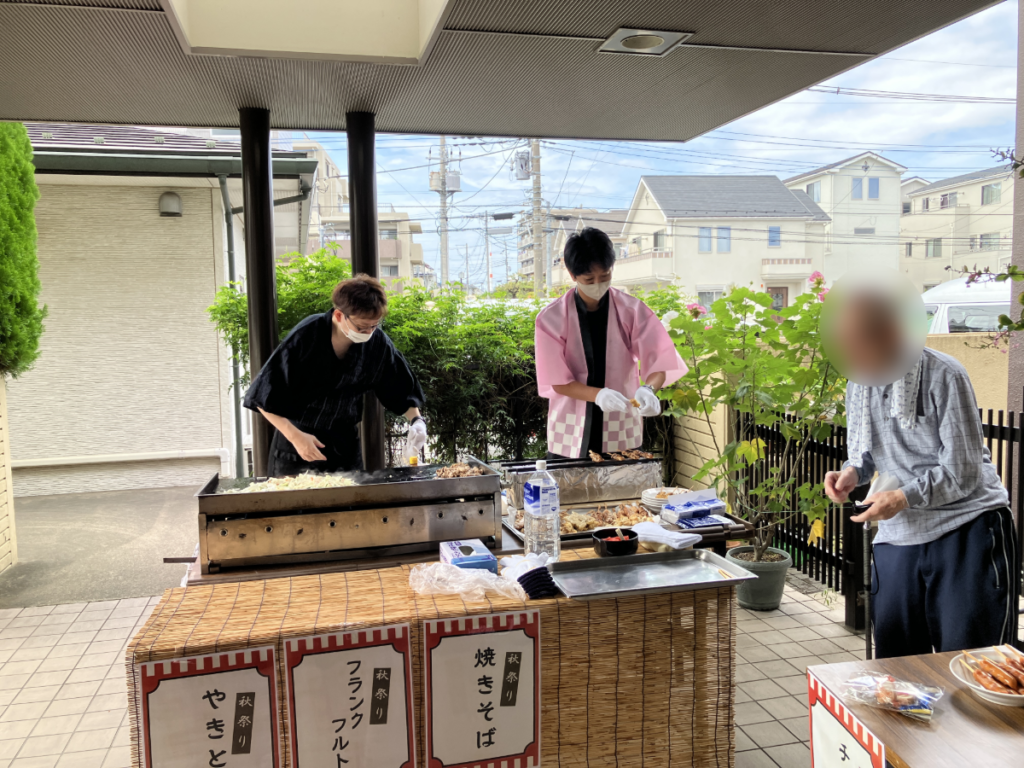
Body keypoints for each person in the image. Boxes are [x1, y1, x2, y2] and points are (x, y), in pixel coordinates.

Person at [823, 291, 1016, 658]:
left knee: (970, 661)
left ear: (892, 331)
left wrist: (902, 497)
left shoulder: (944, 374)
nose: (854, 352)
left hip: (966, 527)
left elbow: (963, 470)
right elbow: (865, 452)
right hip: (899, 535)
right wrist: (851, 473)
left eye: (862, 339)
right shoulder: (858, 383)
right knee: (896, 662)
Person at [243, 274, 427, 476]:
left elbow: (399, 387)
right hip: (297, 441)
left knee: (352, 496)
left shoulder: (378, 344)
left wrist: (417, 421)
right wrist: (296, 437)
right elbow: (263, 396)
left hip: (345, 445)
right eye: (361, 327)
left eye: (374, 326)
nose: (368, 333)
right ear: (339, 316)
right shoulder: (307, 336)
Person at [535, 227, 686, 458]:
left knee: (624, 476)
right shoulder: (551, 319)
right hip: (571, 424)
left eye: (605, 276)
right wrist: (598, 395)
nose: (598, 284)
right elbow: (557, 381)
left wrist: (649, 389)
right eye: (589, 279)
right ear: (572, 274)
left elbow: (659, 361)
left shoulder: (632, 310)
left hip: (621, 416)